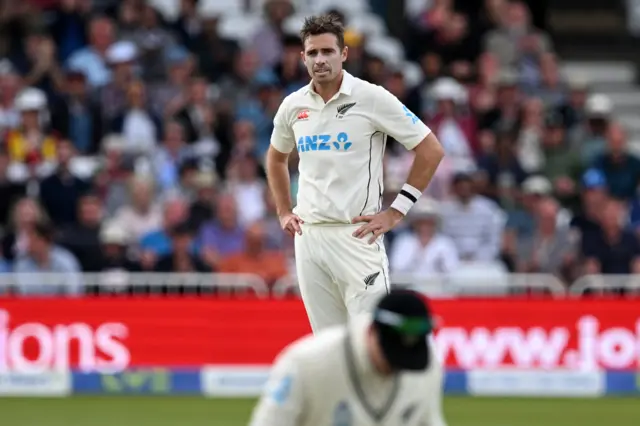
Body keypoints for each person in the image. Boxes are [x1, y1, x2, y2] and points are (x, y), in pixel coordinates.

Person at [266, 14, 444, 333]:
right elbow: (276, 159)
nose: (320, 60)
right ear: (302, 57)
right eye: (313, 53)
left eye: (328, 51)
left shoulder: (371, 97)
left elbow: (431, 149)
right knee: (329, 346)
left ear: (344, 54)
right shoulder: (293, 105)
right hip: (310, 238)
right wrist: (282, 210)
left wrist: (396, 212)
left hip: (357, 235)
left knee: (370, 342)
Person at [249, 290, 446, 426]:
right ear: (372, 331)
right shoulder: (305, 363)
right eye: (391, 355)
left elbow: (430, 420)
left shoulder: (427, 366)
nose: (397, 368)